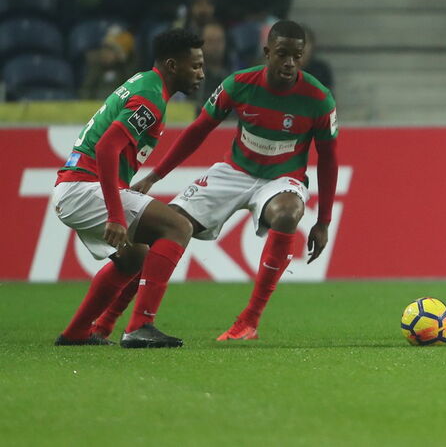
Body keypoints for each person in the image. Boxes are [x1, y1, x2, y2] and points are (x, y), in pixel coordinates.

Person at [125, 20, 338, 341]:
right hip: (234, 172)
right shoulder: (239, 84)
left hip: (283, 178)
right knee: (167, 226)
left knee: (286, 214)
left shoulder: (319, 99)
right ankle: (127, 321)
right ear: (267, 52)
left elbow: (329, 159)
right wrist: (156, 175)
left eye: (297, 55)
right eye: (282, 54)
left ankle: (249, 320)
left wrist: (322, 221)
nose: (290, 63)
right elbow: (198, 130)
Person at [53, 28, 205, 348]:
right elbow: (107, 148)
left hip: (76, 185)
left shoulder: (145, 82)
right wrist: (116, 215)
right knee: (178, 227)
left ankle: (78, 332)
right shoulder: (151, 97)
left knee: (134, 257)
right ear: (172, 65)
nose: (201, 74)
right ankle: (140, 326)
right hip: (83, 186)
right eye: (195, 66)